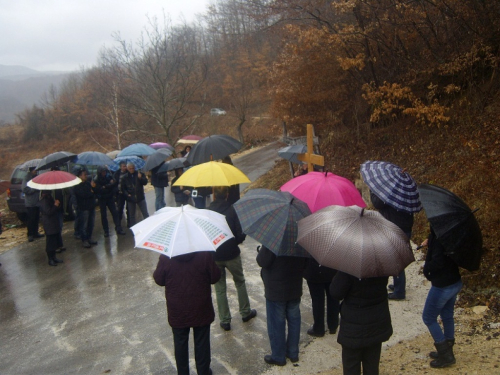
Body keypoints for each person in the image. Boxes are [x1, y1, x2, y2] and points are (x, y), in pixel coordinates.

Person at [153, 251, 221, 375]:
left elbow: (159, 279)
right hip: (201, 307)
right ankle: (203, 371)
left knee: (180, 343)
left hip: (178, 309)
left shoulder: (166, 256)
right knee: (202, 343)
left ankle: (183, 372)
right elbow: (215, 277)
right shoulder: (204, 254)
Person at [207, 186, 257, 331]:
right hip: (232, 253)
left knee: (220, 288)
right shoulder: (232, 210)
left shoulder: (208, 213)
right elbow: (240, 234)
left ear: (214, 195)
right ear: (227, 195)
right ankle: (245, 312)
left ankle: (225, 320)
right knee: (240, 281)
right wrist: (236, 241)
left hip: (215, 255)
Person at [330, 271, 393, 375]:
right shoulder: (381, 265)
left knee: (351, 366)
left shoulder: (349, 267)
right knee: (372, 365)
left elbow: (336, 292)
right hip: (376, 323)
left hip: (353, 328)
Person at [256, 245, 307, 366]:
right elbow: (306, 263)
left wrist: (261, 251)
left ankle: (278, 356)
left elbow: (262, 261)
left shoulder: (274, 237)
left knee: (276, 323)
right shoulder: (300, 237)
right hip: (294, 286)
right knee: (294, 320)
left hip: (276, 289)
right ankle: (293, 353)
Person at [420, 227, 461, 368]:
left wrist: (426, 269)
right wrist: (430, 241)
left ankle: (446, 355)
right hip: (455, 281)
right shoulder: (452, 232)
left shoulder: (439, 238)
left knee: (428, 317)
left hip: (443, 285)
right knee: (447, 314)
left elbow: (437, 262)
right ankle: (447, 347)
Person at [370, 191, 413, 300]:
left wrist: (373, 191)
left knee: (395, 259)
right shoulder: (404, 188)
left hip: (394, 226)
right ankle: (398, 283)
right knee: (398, 257)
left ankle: (399, 292)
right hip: (406, 225)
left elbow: (377, 203)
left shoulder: (388, 189)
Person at [303, 258, 339, 337]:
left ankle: (319, 329)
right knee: (333, 298)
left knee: (317, 301)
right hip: (332, 268)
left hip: (314, 270)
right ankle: (333, 325)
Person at [94, 166, 126, 237]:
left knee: (115, 213)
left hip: (110, 197)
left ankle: (118, 227)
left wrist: (106, 186)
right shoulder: (96, 179)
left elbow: (114, 184)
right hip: (102, 199)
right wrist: (107, 186)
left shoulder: (108, 176)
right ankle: (106, 231)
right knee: (103, 215)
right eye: (102, 172)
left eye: (104, 172)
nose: (104, 173)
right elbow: (98, 189)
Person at [38, 190, 64, 266]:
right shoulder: (44, 200)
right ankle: (50, 259)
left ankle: (54, 257)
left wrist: (57, 205)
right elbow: (48, 212)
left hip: (53, 222)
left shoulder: (50, 198)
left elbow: (54, 209)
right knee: (50, 242)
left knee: (55, 240)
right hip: (49, 223)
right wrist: (55, 205)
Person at [74, 168, 97, 248]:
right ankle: (84, 240)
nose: (86, 176)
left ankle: (89, 237)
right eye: (84, 175)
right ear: (80, 176)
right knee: (84, 224)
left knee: (91, 223)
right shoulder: (77, 185)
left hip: (91, 206)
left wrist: (93, 188)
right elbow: (83, 195)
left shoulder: (88, 183)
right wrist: (90, 192)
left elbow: (93, 193)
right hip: (83, 208)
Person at [120, 162, 149, 226]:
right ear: (127, 168)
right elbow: (123, 188)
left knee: (145, 213)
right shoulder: (125, 177)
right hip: (131, 198)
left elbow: (145, 182)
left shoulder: (139, 174)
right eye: (130, 168)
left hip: (140, 196)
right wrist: (127, 194)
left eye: (132, 168)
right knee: (132, 215)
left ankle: (148, 225)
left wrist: (141, 178)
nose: (131, 170)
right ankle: (133, 227)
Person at [22, 167, 44, 242]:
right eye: (35, 170)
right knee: (31, 219)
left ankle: (35, 233)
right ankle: (30, 234)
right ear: (31, 170)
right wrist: (34, 189)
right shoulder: (26, 178)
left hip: (37, 202)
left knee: (36, 218)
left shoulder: (36, 177)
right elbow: (24, 189)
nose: (36, 171)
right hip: (30, 203)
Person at [113, 161, 130, 228]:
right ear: (120, 167)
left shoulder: (128, 173)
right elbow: (114, 183)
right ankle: (118, 225)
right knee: (119, 209)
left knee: (128, 208)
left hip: (127, 193)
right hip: (120, 193)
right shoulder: (117, 174)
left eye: (125, 166)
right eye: (123, 166)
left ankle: (129, 223)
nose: (125, 168)